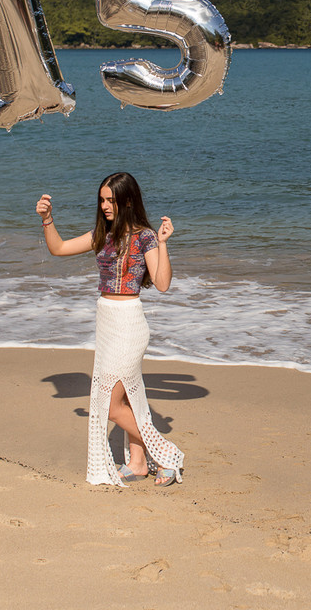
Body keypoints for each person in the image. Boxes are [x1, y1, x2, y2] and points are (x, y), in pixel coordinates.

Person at [35, 172, 184, 487]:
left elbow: (162, 283)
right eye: (101, 199)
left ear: (127, 201)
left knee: (112, 406)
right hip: (106, 321)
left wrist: (163, 243)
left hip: (129, 323)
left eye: (110, 200)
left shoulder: (145, 237)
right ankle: (139, 463)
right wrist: (48, 219)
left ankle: (167, 455)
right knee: (128, 398)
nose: (104, 206)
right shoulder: (102, 235)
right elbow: (58, 249)